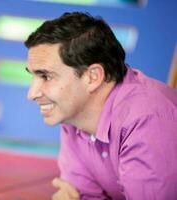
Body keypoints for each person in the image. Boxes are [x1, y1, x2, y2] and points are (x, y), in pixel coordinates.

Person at [24, 12, 177, 199]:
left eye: (46, 76)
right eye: (33, 76)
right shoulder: (74, 119)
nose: (31, 94)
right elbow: (82, 195)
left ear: (93, 77)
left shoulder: (148, 120)